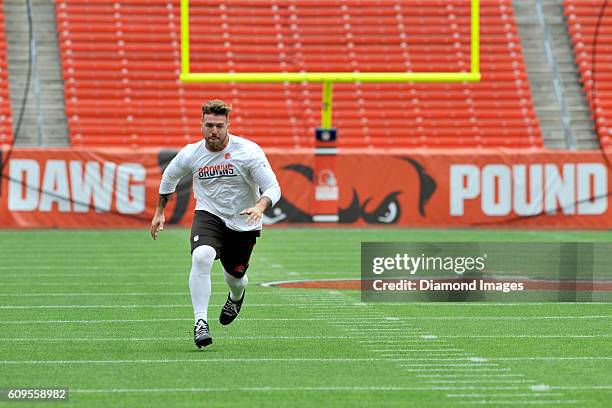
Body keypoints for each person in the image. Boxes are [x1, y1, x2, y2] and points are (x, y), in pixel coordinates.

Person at [150, 99, 281, 349]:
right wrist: (160, 212)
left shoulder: (249, 151)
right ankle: (200, 323)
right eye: (209, 125)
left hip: (243, 220)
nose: (214, 131)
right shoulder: (192, 152)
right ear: (201, 124)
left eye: (219, 126)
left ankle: (236, 297)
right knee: (201, 256)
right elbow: (170, 176)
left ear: (228, 125)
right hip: (209, 214)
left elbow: (273, 187)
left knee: (236, 278)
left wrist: (260, 206)